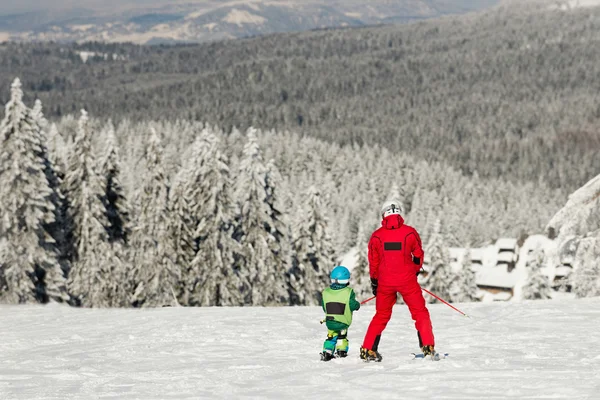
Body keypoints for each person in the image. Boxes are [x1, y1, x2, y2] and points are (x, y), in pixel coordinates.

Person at [360, 199, 435, 362]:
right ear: (399, 213)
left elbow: (374, 261)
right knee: (420, 313)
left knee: (381, 315)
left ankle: (368, 349)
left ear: (384, 214)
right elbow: (418, 255)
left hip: (385, 283)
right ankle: (427, 346)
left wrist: (374, 282)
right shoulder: (410, 232)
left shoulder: (377, 236)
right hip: (407, 281)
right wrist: (414, 271)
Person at [320, 266, 361, 361]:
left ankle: (327, 352)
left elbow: (324, 307)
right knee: (342, 336)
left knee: (331, 337)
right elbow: (352, 305)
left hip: (330, 322)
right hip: (343, 323)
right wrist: (357, 305)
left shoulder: (326, 292)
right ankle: (341, 351)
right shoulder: (348, 292)